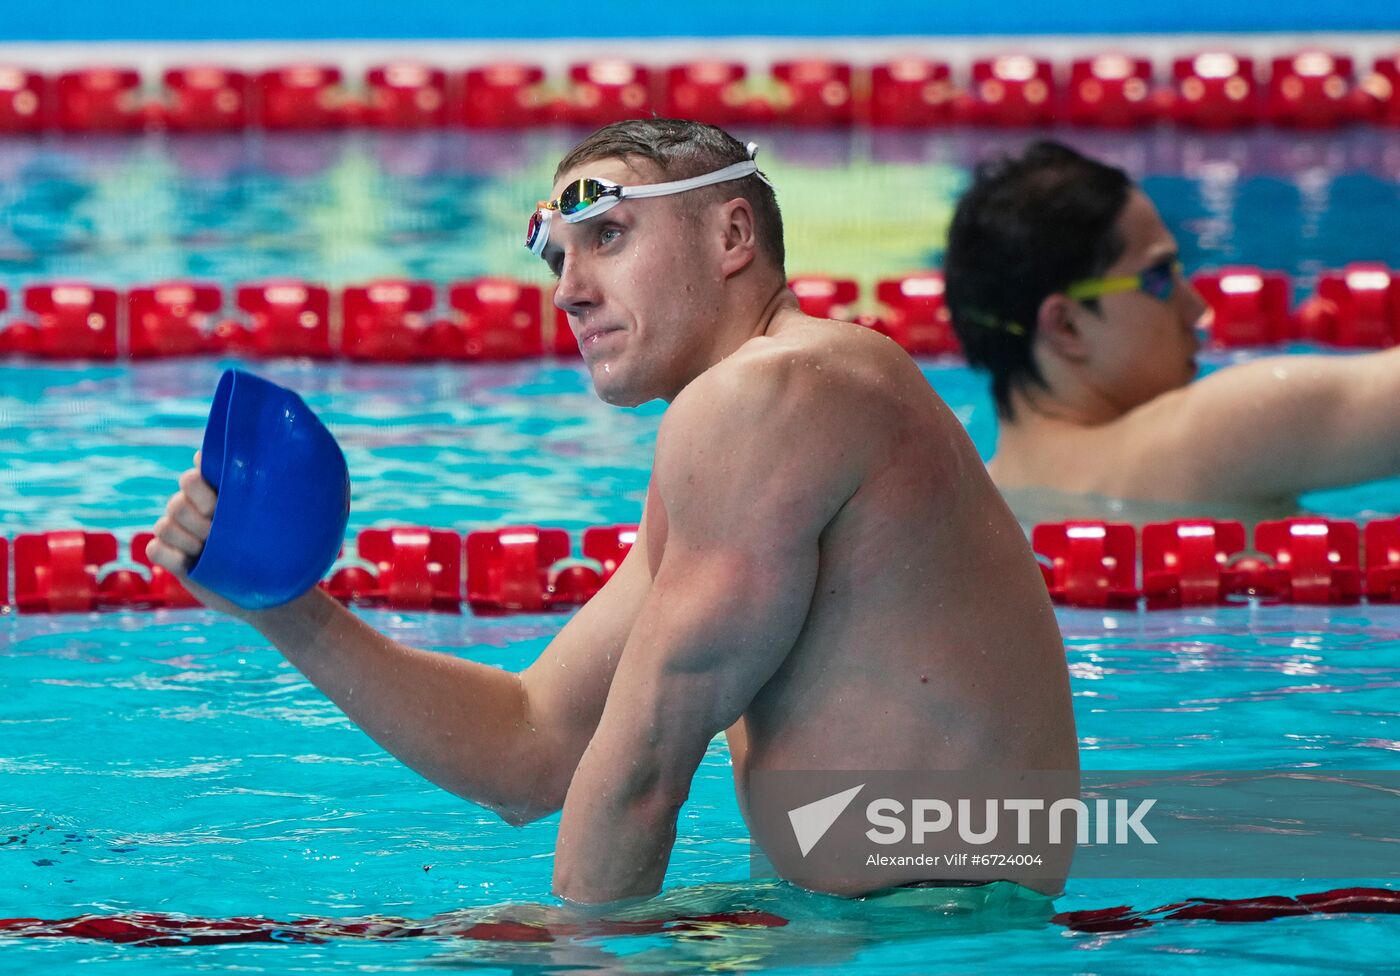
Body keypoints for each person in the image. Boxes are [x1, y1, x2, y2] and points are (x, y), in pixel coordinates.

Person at [147, 119, 1075, 905]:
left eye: (610, 236)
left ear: (732, 235)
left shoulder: (777, 390)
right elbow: (531, 747)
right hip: (912, 925)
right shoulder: (748, 429)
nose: (569, 288)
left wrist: (581, 961)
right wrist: (283, 606)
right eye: (558, 255)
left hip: (937, 938)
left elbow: (640, 778)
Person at [944, 140, 1400, 525]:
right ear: (1066, 325)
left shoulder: (968, 513)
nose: (1197, 307)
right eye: (1160, 277)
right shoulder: (1213, 438)